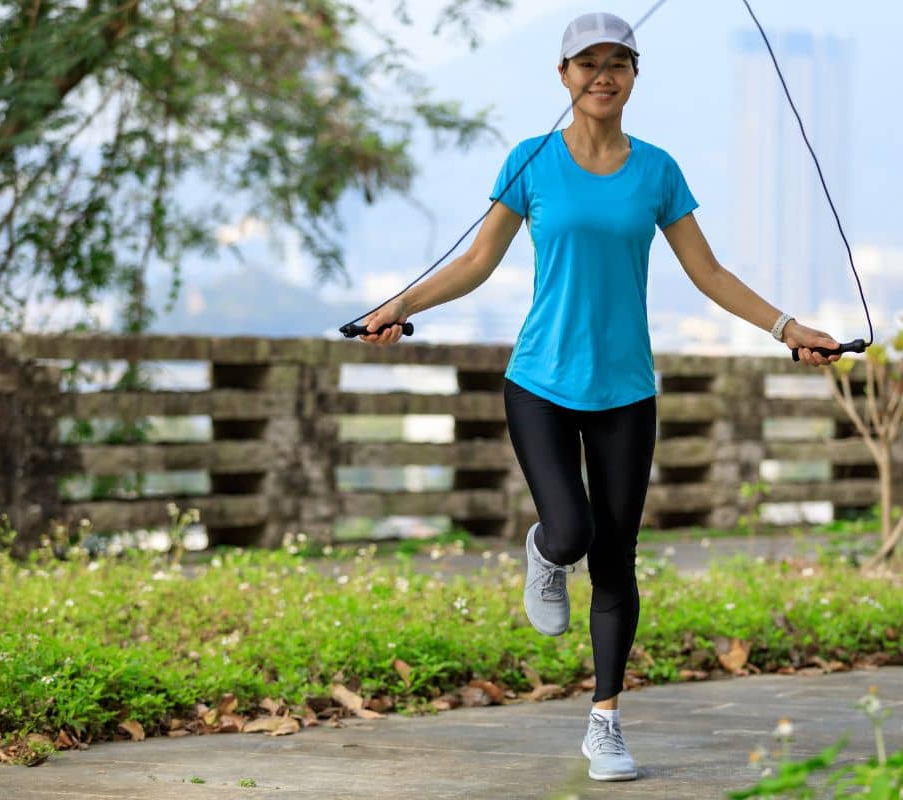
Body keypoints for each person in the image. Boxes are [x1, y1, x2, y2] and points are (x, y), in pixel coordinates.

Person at [360, 11, 842, 782]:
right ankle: (545, 553)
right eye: (588, 62)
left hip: (626, 390)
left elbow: (708, 273)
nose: (603, 74)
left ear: (634, 76)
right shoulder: (531, 162)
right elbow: (479, 260)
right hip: (541, 383)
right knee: (573, 528)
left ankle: (605, 723)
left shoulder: (656, 171)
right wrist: (400, 307)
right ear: (563, 76)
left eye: (619, 61)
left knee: (617, 561)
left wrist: (789, 326)